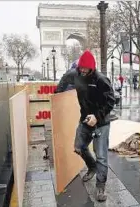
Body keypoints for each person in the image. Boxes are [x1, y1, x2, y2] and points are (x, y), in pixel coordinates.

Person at [55, 50, 115, 202]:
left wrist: (97, 116)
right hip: (85, 119)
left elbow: (111, 101)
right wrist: (57, 94)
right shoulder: (74, 74)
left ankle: (100, 187)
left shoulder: (101, 79)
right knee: (79, 147)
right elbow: (64, 80)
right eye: (81, 67)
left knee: (101, 156)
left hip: (101, 122)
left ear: (92, 68)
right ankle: (92, 166)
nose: (82, 70)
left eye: (85, 68)